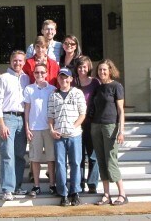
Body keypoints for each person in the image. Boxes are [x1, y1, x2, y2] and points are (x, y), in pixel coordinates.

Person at [0, 50, 30, 201]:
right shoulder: (3, 78)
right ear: (10, 61)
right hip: (8, 118)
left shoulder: (26, 79)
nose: (18, 63)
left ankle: (18, 186)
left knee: (19, 155)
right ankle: (7, 189)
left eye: (20, 61)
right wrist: (1, 124)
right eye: (15, 60)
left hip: (22, 119)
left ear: (24, 62)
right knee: (7, 154)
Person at [90, 59, 128, 206]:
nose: (102, 72)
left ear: (110, 70)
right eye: (100, 70)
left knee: (111, 160)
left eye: (105, 70)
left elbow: (120, 110)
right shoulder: (98, 88)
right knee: (100, 159)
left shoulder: (116, 86)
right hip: (96, 126)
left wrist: (121, 131)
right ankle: (106, 194)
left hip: (110, 126)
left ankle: (122, 194)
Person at [48, 67, 86, 207]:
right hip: (58, 135)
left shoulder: (77, 93)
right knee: (60, 164)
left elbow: (82, 114)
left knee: (75, 163)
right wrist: (52, 130)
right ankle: (63, 193)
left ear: (70, 79)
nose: (63, 79)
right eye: (61, 77)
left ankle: (75, 192)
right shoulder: (53, 95)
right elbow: (50, 115)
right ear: (58, 78)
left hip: (74, 135)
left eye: (66, 77)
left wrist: (74, 126)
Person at [23, 63, 57, 198]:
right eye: (37, 72)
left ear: (47, 73)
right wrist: (27, 128)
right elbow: (26, 110)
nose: (40, 75)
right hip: (34, 128)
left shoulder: (53, 89)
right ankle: (36, 186)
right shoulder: (29, 89)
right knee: (35, 159)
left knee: (51, 158)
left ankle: (52, 185)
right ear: (33, 74)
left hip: (49, 128)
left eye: (42, 72)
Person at [75, 55, 100, 194]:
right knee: (78, 155)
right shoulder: (73, 82)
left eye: (84, 66)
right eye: (79, 67)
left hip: (92, 122)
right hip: (77, 123)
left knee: (92, 155)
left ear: (89, 67)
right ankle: (79, 183)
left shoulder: (95, 83)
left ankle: (92, 184)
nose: (82, 69)